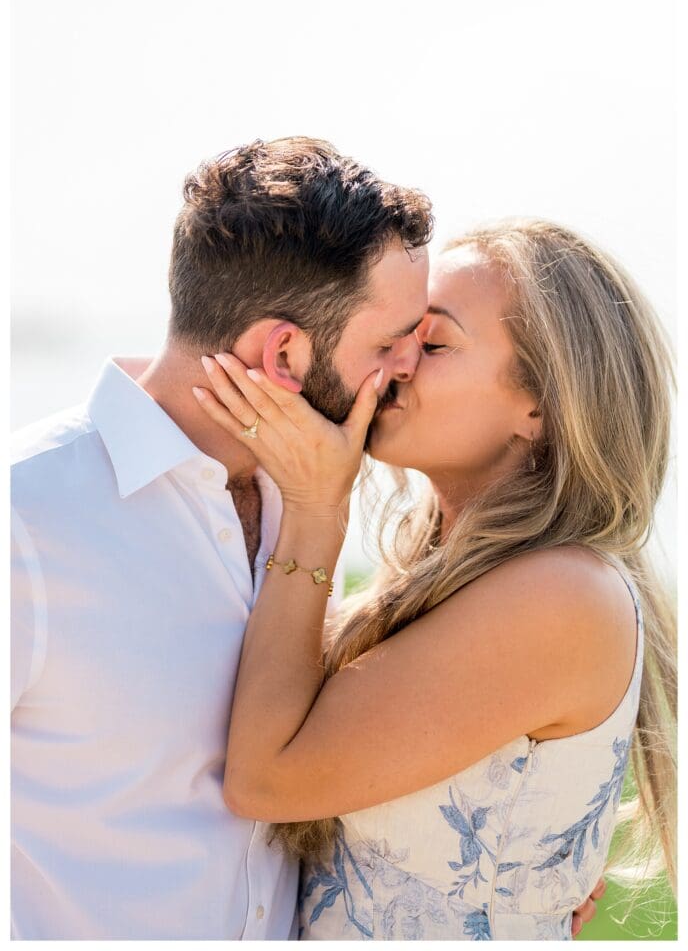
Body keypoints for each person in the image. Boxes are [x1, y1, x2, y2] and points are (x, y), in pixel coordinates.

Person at [11, 137, 601, 939]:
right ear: (284, 353)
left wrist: (528, 858)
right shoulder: (30, 519)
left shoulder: (314, 502)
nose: (402, 369)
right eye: (391, 342)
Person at [193, 218, 676, 940]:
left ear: (538, 406)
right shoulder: (461, 585)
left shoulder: (561, 597)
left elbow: (265, 779)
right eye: (399, 333)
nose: (396, 359)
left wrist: (318, 508)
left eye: (435, 341)